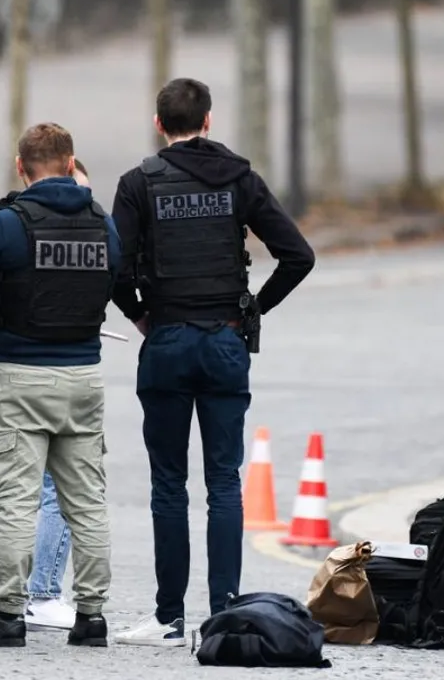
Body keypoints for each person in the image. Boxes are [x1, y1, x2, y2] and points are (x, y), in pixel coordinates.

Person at [110, 78, 315, 646]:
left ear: (159, 124)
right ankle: (223, 610)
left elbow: (114, 268)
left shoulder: (137, 185)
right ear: (208, 121)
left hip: (168, 341)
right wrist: (252, 309)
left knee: (168, 484)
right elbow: (298, 255)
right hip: (225, 341)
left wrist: (139, 316)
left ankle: (168, 619)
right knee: (224, 481)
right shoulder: (241, 181)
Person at [0, 124, 119, 648]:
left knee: (17, 500)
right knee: (86, 501)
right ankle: (91, 616)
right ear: (71, 165)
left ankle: (7, 614)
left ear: (21, 169)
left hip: (19, 374)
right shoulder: (103, 224)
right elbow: (114, 281)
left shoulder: (6, 225)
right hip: (84, 375)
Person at [0, 158, 94, 632]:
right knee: (53, 491)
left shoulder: (8, 222)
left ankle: (21, 599)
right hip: (43, 366)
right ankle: (42, 592)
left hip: (22, 362)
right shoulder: (15, 223)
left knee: (37, 491)